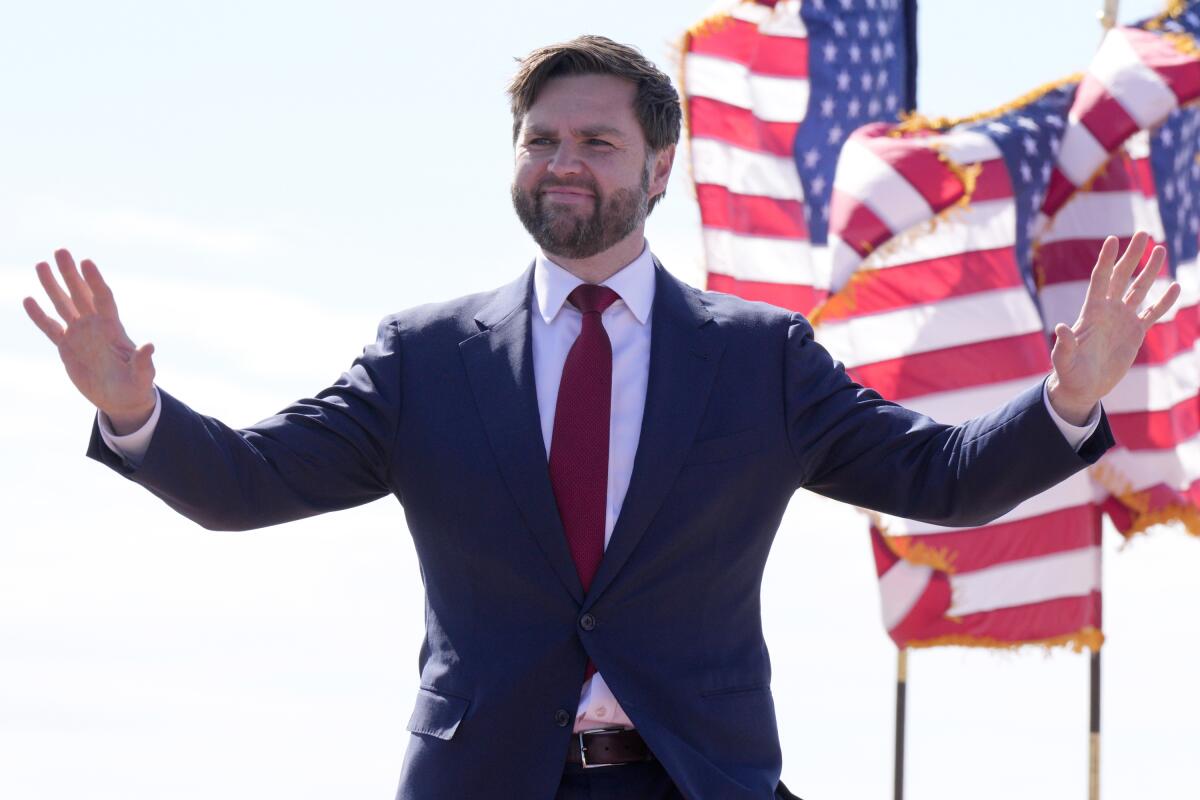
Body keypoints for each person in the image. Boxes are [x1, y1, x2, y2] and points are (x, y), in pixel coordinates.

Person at [22, 35, 1180, 800]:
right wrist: (139, 414)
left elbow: (942, 481)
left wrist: (1068, 395)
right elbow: (246, 484)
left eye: (595, 141)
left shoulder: (755, 357)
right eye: (541, 140)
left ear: (659, 165)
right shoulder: (423, 357)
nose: (562, 163)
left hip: (695, 777)